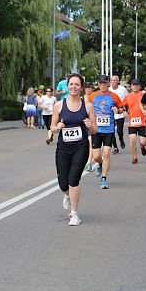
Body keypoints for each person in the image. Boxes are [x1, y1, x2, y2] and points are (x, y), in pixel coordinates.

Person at [51, 73, 97, 226]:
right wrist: (56, 128)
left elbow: (95, 130)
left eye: (77, 84)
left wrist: (90, 125)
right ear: (67, 86)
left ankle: (74, 214)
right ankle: (68, 195)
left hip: (81, 147)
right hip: (63, 148)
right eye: (71, 84)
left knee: (74, 179)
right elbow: (52, 126)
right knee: (63, 183)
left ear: (81, 87)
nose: (74, 87)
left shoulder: (88, 106)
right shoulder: (59, 105)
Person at [88, 74, 124, 189]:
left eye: (105, 83)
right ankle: (100, 164)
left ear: (108, 84)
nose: (103, 85)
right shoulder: (93, 96)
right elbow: (87, 109)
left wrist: (117, 110)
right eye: (101, 83)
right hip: (96, 130)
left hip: (108, 130)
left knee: (107, 152)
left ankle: (103, 178)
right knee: (96, 156)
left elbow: (122, 109)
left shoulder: (114, 96)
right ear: (98, 84)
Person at [122, 79, 146, 165]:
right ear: (131, 86)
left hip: (143, 122)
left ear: (139, 86)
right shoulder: (128, 96)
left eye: (137, 85)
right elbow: (123, 106)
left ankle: (143, 147)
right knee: (132, 139)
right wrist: (124, 111)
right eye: (134, 85)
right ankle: (135, 157)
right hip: (132, 122)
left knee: (143, 142)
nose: (135, 86)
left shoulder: (144, 95)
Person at [109, 75, 128, 153]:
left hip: (120, 112)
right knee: (111, 131)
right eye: (112, 80)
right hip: (110, 113)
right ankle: (115, 148)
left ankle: (121, 139)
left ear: (118, 81)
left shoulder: (123, 89)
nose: (113, 82)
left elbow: (127, 100)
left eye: (115, 80)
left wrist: (125, 110)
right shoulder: (108, 89)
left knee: (119, 131)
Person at [83, 82, 95, 171]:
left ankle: (89, 162)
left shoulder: (95, 98)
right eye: (86, 88)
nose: (88, 89)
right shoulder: (80, 98)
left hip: (91, 122)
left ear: (92, 89)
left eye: (89, 87)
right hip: (81, 123)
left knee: (90, 142)